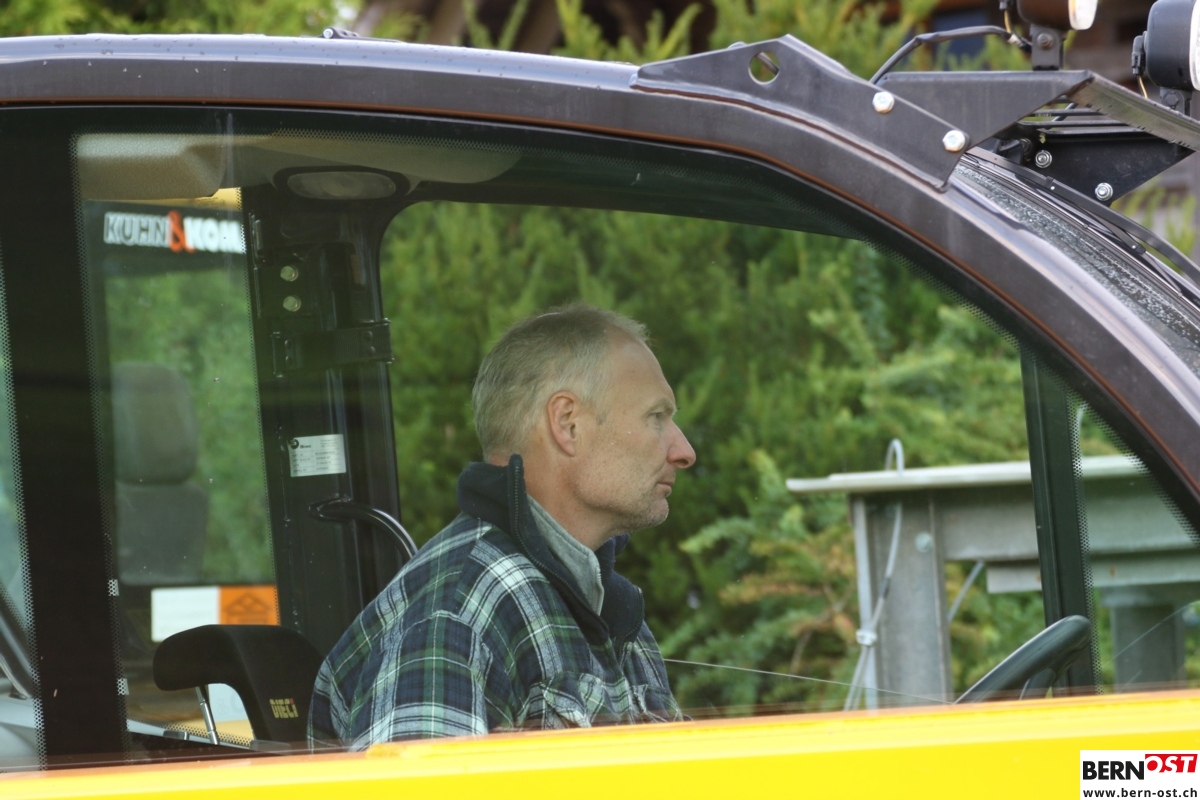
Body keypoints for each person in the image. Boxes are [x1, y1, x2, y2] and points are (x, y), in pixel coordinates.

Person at [309, 304, 697, 746]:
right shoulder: (456, 615)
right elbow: (417, 783)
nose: (684, 451)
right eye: (656, 417)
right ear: (568, 424)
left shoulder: (607, 607)